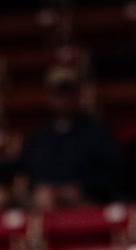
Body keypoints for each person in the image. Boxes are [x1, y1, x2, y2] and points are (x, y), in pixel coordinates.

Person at [17, 66, 119, 210]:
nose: (63, 99)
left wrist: (80, 188)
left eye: (68, 92)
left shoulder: (97, 132)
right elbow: (24, 168)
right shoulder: (40, 135)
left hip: (86, 206)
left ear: (78, 94)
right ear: (48, 96)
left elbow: (113, 174)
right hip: (41, 205)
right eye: (58, 93)